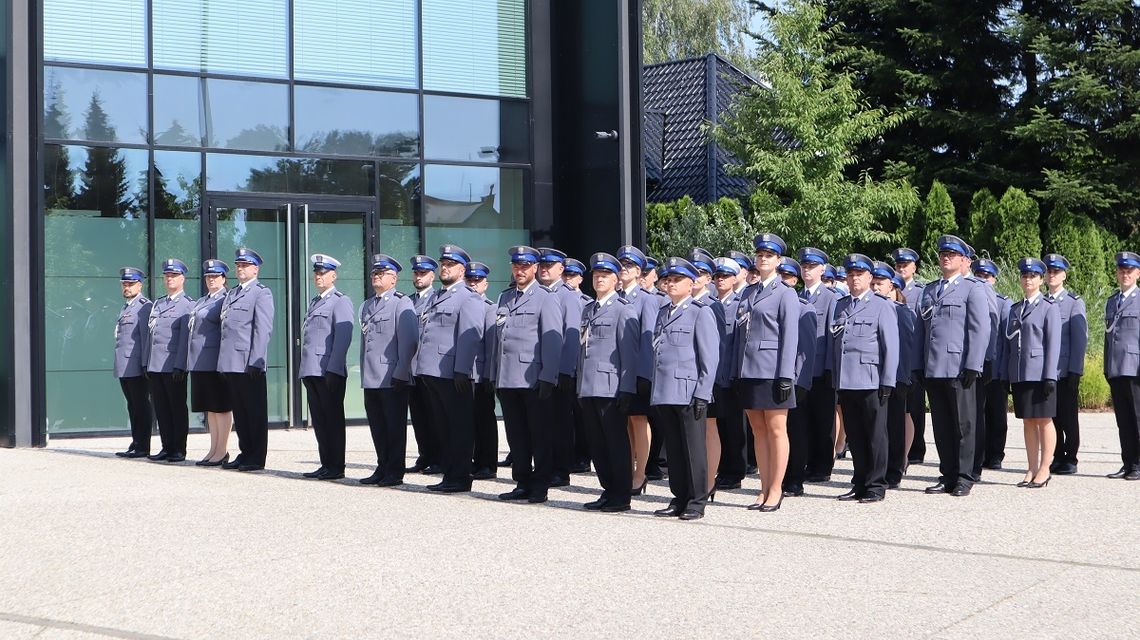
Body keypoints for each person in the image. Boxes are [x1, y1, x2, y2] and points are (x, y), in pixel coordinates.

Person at [918, 235, 990, 496]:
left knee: (964, 424)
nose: (945, 257)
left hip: (959, 367)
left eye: (951, 254)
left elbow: (980, 329)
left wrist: (974, 364)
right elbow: (922, 331)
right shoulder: (930, 290)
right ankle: (947, 473)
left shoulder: (973, 288)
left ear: (963, 260)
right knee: (942, 425)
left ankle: (964, 476)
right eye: (942, 253)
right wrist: (919, 364)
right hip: (934, 367)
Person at [412, 245, 485, 493]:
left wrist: (462, 369)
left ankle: (460, 477)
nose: (445, 268)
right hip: (432, 371)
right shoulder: (436, 296)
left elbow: (470, 335)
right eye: (443, 264)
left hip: (453, 373)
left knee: (459, 427)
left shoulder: (469, 297)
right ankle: (449, 473)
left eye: (450, 265)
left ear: (462, 270)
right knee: (442, 426)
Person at [651, 257, 719, 521]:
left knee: (693, 449)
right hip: (666, 390)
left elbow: (709, 357)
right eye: (668, 279)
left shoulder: (700, 312)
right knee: (675, 450)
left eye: (677, 280)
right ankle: (679, 496)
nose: (671, 284)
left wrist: (703, 392)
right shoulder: (662, 312)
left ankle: (697, 500)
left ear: (691, 284)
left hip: (689, 391)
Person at [734, 233, 799, 512]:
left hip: (773, 371)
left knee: (775, 430)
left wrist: (786, 375)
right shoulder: (749, 292)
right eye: (760, 255)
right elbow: (740, 335)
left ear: (778, 261)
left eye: (769, 255)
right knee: (758, 432)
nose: (763, 259)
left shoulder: (785, 293)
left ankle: (776, 489)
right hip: (750, 370)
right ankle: (763, 488)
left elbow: (790, 337)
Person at [495, 246, 563, 503]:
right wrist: (495, 375)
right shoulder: (505, 298)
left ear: (535, 268)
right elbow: (499, 340)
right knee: (516, 434)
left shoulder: (546, 297)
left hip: (532, 377)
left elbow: (552, 341)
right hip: (508, 377)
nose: (520, 270)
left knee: (539, 434)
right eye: (516, 266)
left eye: (525, 266)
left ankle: (540, 484)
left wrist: (548, 376)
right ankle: (522, 481)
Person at [831, 255, 898, 503]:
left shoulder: (882, 305)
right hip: (847, 381)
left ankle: (876, 484)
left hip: (872, 380)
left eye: (860, 274)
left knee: (875, 435)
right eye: (850, 274)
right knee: (855, 435)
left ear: (870, 278)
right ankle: (859, 481)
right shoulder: (840, 305)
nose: (854, 278)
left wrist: (887, 382)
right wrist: (836, 380)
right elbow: (836, 346)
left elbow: (890, 346)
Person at [578, 252, 640, 512]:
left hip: (610, 385)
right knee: (597, 442)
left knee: (615, 442)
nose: (599, 279)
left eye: (605, 275)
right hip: (588, 385)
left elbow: (630, 353)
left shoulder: (623, 310)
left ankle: (621, 494)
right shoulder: (588, 309)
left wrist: (627, 388)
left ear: (617, 280)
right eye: (597, 274)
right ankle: (607, 489)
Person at [359, 254, 418, 487]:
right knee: (377, 426)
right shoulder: (367, 305)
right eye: (374, 273)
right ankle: (382, 465)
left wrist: (402, 372)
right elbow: (366, 343)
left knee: (394, 427)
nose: (376, 277)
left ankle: (395, 470)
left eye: (381, 273)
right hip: (371, 377)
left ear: (393, 278)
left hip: (392, 376)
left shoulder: (401, 302)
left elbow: (410, 340)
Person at [1006, 257, 1061, 488]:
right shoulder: (1015, 309)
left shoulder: (1049, 308)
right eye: (1025, 275)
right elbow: (1010, 344)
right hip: (1020, 373)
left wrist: (1050, 375)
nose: (1028, 279)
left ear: (1041, 279)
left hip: (1040, 373)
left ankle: (1045, 468)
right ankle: (1031, 468)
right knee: (1028, 421)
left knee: (1044, 420)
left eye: (1033, 276)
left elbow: (1053, 343)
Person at [298, 254, 354, 481]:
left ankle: (336, 466)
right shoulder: (315, 302)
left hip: (328, 370)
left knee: (332, 420)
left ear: (334, 275)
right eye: (316, 273)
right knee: (320, 421)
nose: (318, 277)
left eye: (323, 273)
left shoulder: (340, 301)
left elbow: (343, 337)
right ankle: (325, 463)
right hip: (312, 369)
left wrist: (334, 367)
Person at [218, 248, 275, 472]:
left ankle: (256, 457)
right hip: (231, 361)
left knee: (254, 412)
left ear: (255, 269)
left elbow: (263, 329)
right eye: (238, 265)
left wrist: (256, 360)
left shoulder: (261, 293)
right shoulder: (232, 293)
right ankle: (245, 452)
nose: (240, 268)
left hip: (249, 362)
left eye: (245, 265)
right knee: (240, 412)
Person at [616, 245, 664, 493]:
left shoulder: (646, 300)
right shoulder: (614, 297)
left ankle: (640, 472)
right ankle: (626, 469)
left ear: (639, 272)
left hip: (636, 371)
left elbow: (648, 340)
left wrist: (645, 373)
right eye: (621, 265)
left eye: (629, 267)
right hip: (615, 372)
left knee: (638, 419)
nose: (624, 270)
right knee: (623, 422)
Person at [536, 247, 585, 487]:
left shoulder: (568, 295)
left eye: (550, 266)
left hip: (560, 373)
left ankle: (560, 468)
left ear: (561, 270)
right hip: (538, 370)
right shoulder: (535, 293)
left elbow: (571, 335)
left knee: (560, 422)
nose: (545, 269)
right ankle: (544, 465)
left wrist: (565, 370)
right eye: (542, 266)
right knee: (542, 422)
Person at [870, 262, 920, 488]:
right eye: (873, 284)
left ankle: (894, 470)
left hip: (896, 378)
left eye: (880, 285)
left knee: (894, 426)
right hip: (872, 376)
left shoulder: (901, 312)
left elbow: (906, 347)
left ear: (893, 288)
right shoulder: (869, 308)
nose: (875, 288)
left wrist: (902, 377)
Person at [776, 257, 818, 498]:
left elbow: (806, 350)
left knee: (795, 430)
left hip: (794, 379)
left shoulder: (804, 308)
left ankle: (794, 480)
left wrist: (801, 381)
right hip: (775, 377)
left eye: (786, 277)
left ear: (794, 280)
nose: (782, 281)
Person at [145, 259, 194, 463]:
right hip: (156, 364)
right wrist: (147, 362)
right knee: (161, 409)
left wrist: (181, 364)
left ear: (182, 278)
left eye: (174, 276)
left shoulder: (187, 304)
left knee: (176, 408)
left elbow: (185, 339)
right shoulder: (159, 303)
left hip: (173, 365)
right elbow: (151, 335)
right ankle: (166, 446)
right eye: (167, 276)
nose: (169, 279)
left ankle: (179, 449)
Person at [797, 248, 839, 484]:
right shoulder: (796, 295)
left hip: (821, 369)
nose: (807, 270)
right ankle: (806, 462)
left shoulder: (831, 298)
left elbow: (832, 336)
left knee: (823, 420)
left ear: (822, 269)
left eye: (812, 266)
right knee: (803, 421)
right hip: (801, 370)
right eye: (804, 266)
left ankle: (822, 466)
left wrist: (830, 369)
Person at [1043, 254, 1088, 475]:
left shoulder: (1073, 303)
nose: (1052, 275)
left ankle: (1070, 457)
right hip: (1046, 371)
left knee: (1068, 417)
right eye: (1049, 271)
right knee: (1051, 417)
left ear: (1064, 275)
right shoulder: (1041, 302)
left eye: (1056, 272)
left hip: (1064, 370)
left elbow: (1079, 340)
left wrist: (1075, 370)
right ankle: (1056, 455)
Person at [187, 259, 233, 466]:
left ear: (223, 278)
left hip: (215, 360)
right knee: (210, 409)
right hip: (200, 361)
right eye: (208, 277)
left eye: (215, 276)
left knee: (221, 406)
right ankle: (213, 448)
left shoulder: (226, 299)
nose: (211, 280)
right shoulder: (203, 300)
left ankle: (222, 450)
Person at [972, 259, 1013, 471]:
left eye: (987, 276)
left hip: (996, 368)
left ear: (994, 279)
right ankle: (979, 454)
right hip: (975, 367)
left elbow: (1007, 341)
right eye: (979, 275)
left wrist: (1005, 372)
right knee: (977, 412)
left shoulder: (1004, 304)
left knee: (997, 414)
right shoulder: (970, 297)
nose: (983, 279)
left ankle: (996, 454)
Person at [711, 257, 746, 491]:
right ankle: (720, 468)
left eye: (725, 276)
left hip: (731, 374)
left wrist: (737, 373)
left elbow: (741, 344)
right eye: (717, 276)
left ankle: (734, 472)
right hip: (712, 375)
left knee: (734, 426)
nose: (720, 280)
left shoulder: (741, 304)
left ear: (734, 279)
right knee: (717, 426)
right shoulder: (709, 305)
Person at [1104, 251, 1140, 481]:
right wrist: (1107, 367)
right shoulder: (1111, 301)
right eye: (1121, 270)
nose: (1125, 274)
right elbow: (1109, 337)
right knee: (1123, 420)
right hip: (1116, 367)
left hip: (1135, 367)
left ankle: (1138, 463)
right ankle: (1127, 462)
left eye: (1129, 271)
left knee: (1137, 418)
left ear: (1137, 273)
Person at [891, 248, 928, 465]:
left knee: (915, 407)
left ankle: (916, 449)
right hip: (893, 359)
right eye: (899, 265)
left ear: (914, 267)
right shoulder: (887, 288)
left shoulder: (921, 292)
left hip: (912, 358)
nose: (902, 268)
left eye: (906, 264)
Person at [407, 255, 443, 475]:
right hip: (412, 366)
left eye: (423, 273)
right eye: (416, 273)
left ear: (432, 276)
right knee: (418, 415)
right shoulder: (407, 301)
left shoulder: (437, 298)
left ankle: (439, 457)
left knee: (434, 415)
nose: (419, 277)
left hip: (430, 365)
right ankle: (425, 455)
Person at [113, 267, 154, 458]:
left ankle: (143, 445)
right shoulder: (127, 306)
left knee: (141, 405)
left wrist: (145, 364)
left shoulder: (144, 306)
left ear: (140, 284)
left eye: (130, 284)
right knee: (132, 405)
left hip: (136, 365)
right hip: (124, 364)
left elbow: (146, 338)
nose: (126, 287)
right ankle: (136, 441)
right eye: (124, 284)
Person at [465, 261, 500, 480]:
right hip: (464, 373)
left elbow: (491, 345)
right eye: (470, 280)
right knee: (467, 421)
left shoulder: (489, 308)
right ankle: (473, 460)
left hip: (481, 373)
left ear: (485, 284)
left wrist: (488, 374)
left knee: (484, 420)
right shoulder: (463, 305)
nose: (473, 284)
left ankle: (488, 463)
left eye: (477, 280)